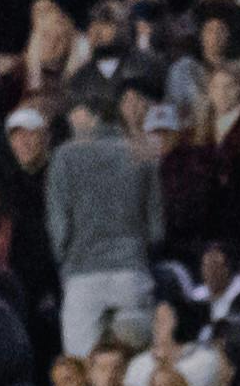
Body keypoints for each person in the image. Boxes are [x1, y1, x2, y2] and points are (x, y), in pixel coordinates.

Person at [45, 92, 163, 357]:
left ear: (89, 115)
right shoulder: (143, 151)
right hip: (131, 272)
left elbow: (58, 226)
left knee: (82, 365)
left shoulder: (64, 156)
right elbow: (156, 229)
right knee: (136, 365)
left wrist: (64, 260)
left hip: (82, 275)